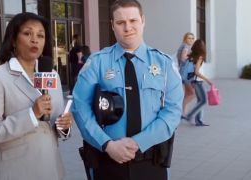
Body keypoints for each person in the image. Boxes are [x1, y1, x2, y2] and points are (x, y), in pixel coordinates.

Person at [72, 1, 183, 180]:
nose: (128, 27)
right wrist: (107, 144)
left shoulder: (164, 64)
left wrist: (138, 142)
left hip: (151, 162)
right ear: (112, 25)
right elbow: (80, 108)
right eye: (120, 22)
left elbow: (173, 112)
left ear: (143, 21)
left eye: (133, 20)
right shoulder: (97, 63)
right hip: (108, 160)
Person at [0, 12, 74, 180]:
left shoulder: (52, 75)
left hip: (50, 168)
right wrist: (32, 113)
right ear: (14, 40)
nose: (35, 39)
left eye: (40, 35)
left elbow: (52, 122)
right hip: (15, 170)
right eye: (27, 33)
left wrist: (64, 127)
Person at [182, 39, 212, 126]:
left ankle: (198, 121)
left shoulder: (191, 56)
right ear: (202, 48)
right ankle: (189, 115)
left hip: (193, 81)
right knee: (203, 101)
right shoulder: (200, 57)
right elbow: (197, 72)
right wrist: (207, 80)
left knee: (200, 100)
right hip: (198, 82)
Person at [177, 32, 195, 117]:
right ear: (185, 39)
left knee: (188, 94)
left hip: (183, 73)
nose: (191, 40)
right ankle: (181, 111)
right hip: (185, 74)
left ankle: (183, 113)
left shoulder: (184, 46)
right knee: (192, 93)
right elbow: (183, 59)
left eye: (192, 38)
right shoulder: (185, 47)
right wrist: (191, 56)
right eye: (189, 38)